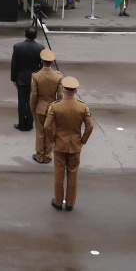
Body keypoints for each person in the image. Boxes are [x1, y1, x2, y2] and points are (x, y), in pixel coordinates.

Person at [44, 77, 94, 211]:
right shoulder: (82, 106)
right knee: (73, 175)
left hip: (59, 145)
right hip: (75, 146)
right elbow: (90, 126)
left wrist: (52, 141)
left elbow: (47, 126)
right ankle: (70, 203)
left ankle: (58, 202)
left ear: (62, 90)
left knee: (59, 175)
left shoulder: (55, 106)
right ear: (76, 91)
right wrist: (82, 141)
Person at [30, 50, 62, 164]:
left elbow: (33, 95)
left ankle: (39, 155)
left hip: (40, 108)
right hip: (52, 109)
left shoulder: (36, 76)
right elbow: (60, 96)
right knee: (50, 133)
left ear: (41, 61)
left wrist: (33, 110)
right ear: (52, 62)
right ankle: (47, 156)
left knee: (40, 133)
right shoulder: (58, 76)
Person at [10, 27, 45, 131]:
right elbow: (42, 65)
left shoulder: (17, 47)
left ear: (25, 35)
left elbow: (14, 64)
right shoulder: (41, 47)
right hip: (34, 78)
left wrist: (14, 79)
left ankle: (21, 124)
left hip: (21, 78)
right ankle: (29, 124)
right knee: (31, 102)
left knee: (22, 102)